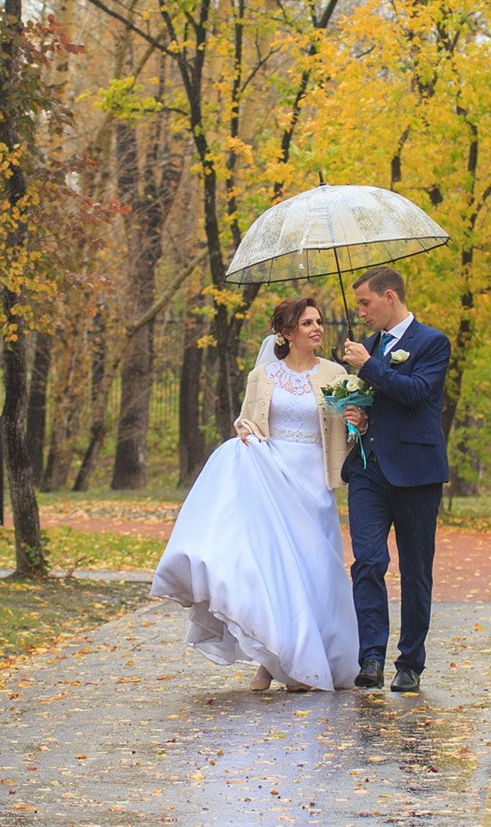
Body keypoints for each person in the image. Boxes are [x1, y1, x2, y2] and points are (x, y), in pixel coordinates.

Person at [151, 297, 361, 692]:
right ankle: (270, 663)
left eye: (318, 322)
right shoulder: (262, 376)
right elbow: (247, 420)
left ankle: (313, 658)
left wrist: (357, 419)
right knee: (277, 572)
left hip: (315, 481)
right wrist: (244, 430)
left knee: (315, 571)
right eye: (307, 323)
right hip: (272, 479)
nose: (317, 328)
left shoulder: (337, 374)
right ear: (286, 332)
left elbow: (347, 432)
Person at [339, 266, 450, 693]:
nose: (361, 312)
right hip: (369, 468)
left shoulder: (432, 342)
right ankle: (371, 657)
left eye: (366, 303)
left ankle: (410, 663)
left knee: (416, 569)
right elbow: (376, 404)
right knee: (367, 561)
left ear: (390, 297)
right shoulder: (367, 348)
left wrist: (370, 366)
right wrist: (358, 418)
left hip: (417, 473)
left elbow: (417, 392)